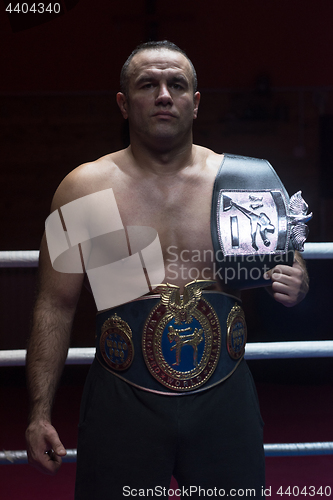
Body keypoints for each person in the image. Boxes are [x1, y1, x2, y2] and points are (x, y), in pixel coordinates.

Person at [25, 41, 309, 499]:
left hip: (224, 398)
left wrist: (298, 281)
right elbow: (55, 305)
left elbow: (286, 263)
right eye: (147, 84)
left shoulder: (242, 182)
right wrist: (39, 413)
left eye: (177, 84)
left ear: (194, 104)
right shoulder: (84, 188)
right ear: (123, 103)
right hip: (122, 402)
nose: (163, 95)